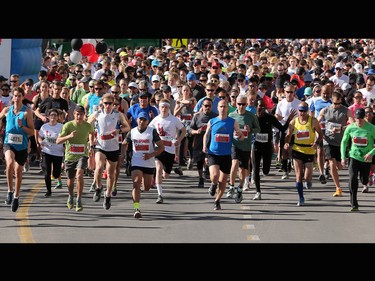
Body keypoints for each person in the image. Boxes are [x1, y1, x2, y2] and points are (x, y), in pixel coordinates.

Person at [87, 93, 130, 209]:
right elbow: (87, 123)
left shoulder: (118, 115)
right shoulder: (97, 114)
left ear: (113, 104)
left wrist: (118, 131)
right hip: (100, 145)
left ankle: (108, 195)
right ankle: (98, 187)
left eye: (110, 104)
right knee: (99, 167)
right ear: (102, 103)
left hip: (113, 147)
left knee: (111, 174)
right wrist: (91, 138)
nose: (107, 106)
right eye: (105, 103)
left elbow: (127, 127)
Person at [202, 99, 244, 210]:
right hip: (213, 153)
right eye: (221, 106)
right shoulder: (212, 121)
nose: (222, 109)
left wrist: (239, 134)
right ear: (217, 108)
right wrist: (204, 146)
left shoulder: (232, 121)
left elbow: (240, 134)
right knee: (215, 176)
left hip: (226, 155)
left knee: (223, 181)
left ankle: (217, 200)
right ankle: (213, 184)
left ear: (227, 108)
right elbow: (206, 135)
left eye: (225, 107)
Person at [122, 112, 164, 218]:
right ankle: (136, 208)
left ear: (147, 122)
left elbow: (161, 147)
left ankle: (144, 185)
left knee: (146, 188)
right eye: (140, 119)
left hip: (149, 163)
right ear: (137, 120)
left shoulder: (152, 132)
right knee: (136, 183)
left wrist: (151, 155)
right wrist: (123, 154)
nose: (142, 121)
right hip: (136, 162)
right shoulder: (132, 132)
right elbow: (124, 143)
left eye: (144, 120)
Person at [251, 99, 296, 200]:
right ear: (256, 107)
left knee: (266, 171)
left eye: (263, 107)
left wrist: (289, 120)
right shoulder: (252, 118)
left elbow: (282, 128)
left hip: (267, 147)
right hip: (256, 146)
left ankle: (264, 171)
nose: (261, 108)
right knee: (256, 169)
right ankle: (258, 191)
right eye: (259, 106)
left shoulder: (270, 118)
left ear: (266, 108)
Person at [0, 87, 35, 212]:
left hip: (22, 145)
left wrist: (22, 126)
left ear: (22, 97)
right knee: (9, 163)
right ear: (12, 97)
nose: (16, 98)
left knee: (18, 171)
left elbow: (32, 131)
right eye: (15, 95)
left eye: (19, 96)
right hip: (9, 143)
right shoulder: (7, 110)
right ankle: (9, 191)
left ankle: (16, 197)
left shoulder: (27, 113)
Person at [55, 105, 95, 212]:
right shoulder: (68, 126)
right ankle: (70, 195)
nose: (79, 117)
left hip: (82, 155)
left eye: (81, 114)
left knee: (79, 174)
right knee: (70, 181)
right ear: (74, 114)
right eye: (77, 114)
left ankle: (79, 199)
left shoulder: (87, 125)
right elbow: (58, 141)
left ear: (84, 115)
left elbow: (92, 133)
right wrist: (69, 136)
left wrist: (91, 146)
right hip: (70, 156)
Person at [284, 101, 323, 206]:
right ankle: (301, 197)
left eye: (304, 111)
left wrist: (317, 143)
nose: (302, 113)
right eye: (300, 111)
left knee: (307, 176)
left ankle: (308, 181)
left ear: (308, 111)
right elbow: (288, 135)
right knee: (298, 175)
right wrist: (286, 143)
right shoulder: (293, 122)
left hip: (309, 150)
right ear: (298, 111)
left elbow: (320, 134)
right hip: (297, 150)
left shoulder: (313, 121)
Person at [149, 98, 186, 204]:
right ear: (159, 108)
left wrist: (178, 140)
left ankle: (160, 177)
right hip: (158, 149)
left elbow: (183, 130)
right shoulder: (156, 120)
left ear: (169, 108)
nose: (164, 109)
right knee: (158, 168)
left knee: (165, 175)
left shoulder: (174, 120)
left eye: (166, 107)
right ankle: (160, 195)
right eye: (162, 107)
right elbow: (149, 130)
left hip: (170, 150)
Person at [317, 91, 354, 197]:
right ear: (331, 101)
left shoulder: (346, 111)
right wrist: (318, 131)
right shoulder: (325, 110)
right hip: (328, 140)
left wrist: (342, 128)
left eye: (338, 103)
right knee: (332, 163)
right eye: (334, 103)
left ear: (341, 101)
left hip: (341, 141)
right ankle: (338, 188)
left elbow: (352, 124)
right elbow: (316, 121)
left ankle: (331, 171)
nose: (336, 105)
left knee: (339, 166)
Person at [227, 94, 260, 203]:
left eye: (243, 104)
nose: (241, 106)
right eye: (239, 104)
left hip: (245, 146)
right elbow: (226, 128)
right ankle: (231, 187)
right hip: (234, 144)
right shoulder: (231, 115)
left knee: (243, 170)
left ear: (247, 104)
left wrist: (250, 130)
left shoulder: (251, 116)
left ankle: (240, 188)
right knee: (234, 163)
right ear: (236, 104)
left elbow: (258, 129)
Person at [340, 108, 375, 211]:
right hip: (354, 156)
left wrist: (371, 153)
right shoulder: (350, 128)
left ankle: (366, 180)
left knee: (364, 180)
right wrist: (343, 157)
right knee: (352, 178)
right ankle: (353, 203)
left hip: (366, 158)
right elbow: (344, 142)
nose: (358, 121)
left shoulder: (371, 128)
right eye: (357, 118)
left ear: (364, 117)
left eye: (360, 118)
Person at [189, 97, 218, 188]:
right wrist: (196, 131)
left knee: (210, 161)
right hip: (199, 142)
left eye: (209, 106)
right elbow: (189, 129)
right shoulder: (197, 116)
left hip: (211, 143)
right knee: (199, 162)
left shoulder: (215, 116)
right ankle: (201, 178)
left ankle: (210, 176)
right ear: (202, 106)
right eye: (205, 106)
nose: (207, 107)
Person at [38, 108, 65, 197]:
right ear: (48, 117)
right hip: (46, 151)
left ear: (58, 117)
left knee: (56, 173)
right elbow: (40, 137)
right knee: (47, 172)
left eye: (55, 115)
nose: (53, 117)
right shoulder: (44, 127)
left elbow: (65, 138)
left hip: (58, 152)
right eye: (51, 115)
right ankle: (48, 190)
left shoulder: (61, 126)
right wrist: (40, 142)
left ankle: (56, 173)